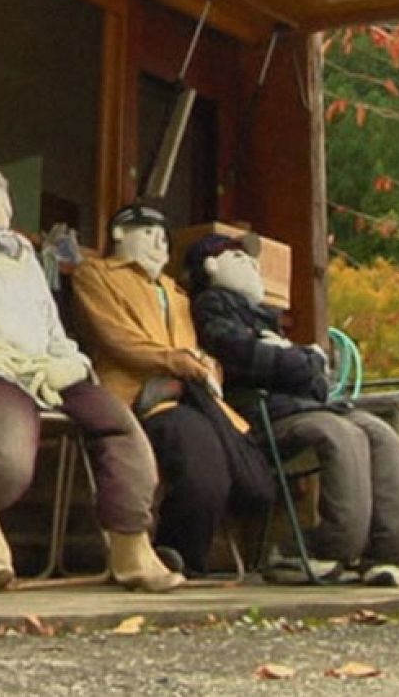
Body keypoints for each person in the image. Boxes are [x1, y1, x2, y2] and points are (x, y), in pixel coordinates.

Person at [0, 148, 184, 593]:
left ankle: (131, 549)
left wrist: (65, 363)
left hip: (38, 372)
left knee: (120, 426)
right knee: (7, 452)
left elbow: (51, 326)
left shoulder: (22, 251)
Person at [186, 232, 399, 586]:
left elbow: (315, 380)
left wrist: (294, 359)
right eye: (237, 258)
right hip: (256, 418)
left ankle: (390, 552)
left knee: (380, 433)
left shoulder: (265, 319)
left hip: (299, 407)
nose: (251, 265)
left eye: (252, 260)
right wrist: (300, 358)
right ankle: (326, 547)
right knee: (340, 434)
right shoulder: (209, 307)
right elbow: (240, 356)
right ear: (210, 266)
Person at [69, 203, 274, 578]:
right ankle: (176, 555)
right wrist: (181, 362)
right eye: (148, 233)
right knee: (200, 454)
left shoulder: (176, 293)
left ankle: (180, 554)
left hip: (191, 395)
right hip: (138, 395)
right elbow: (119, 340)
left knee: (239, 458)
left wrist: (205, 367)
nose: (159, 244)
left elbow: (197, 351)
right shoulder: (96, 274)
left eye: (164, 238)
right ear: (118, 234)